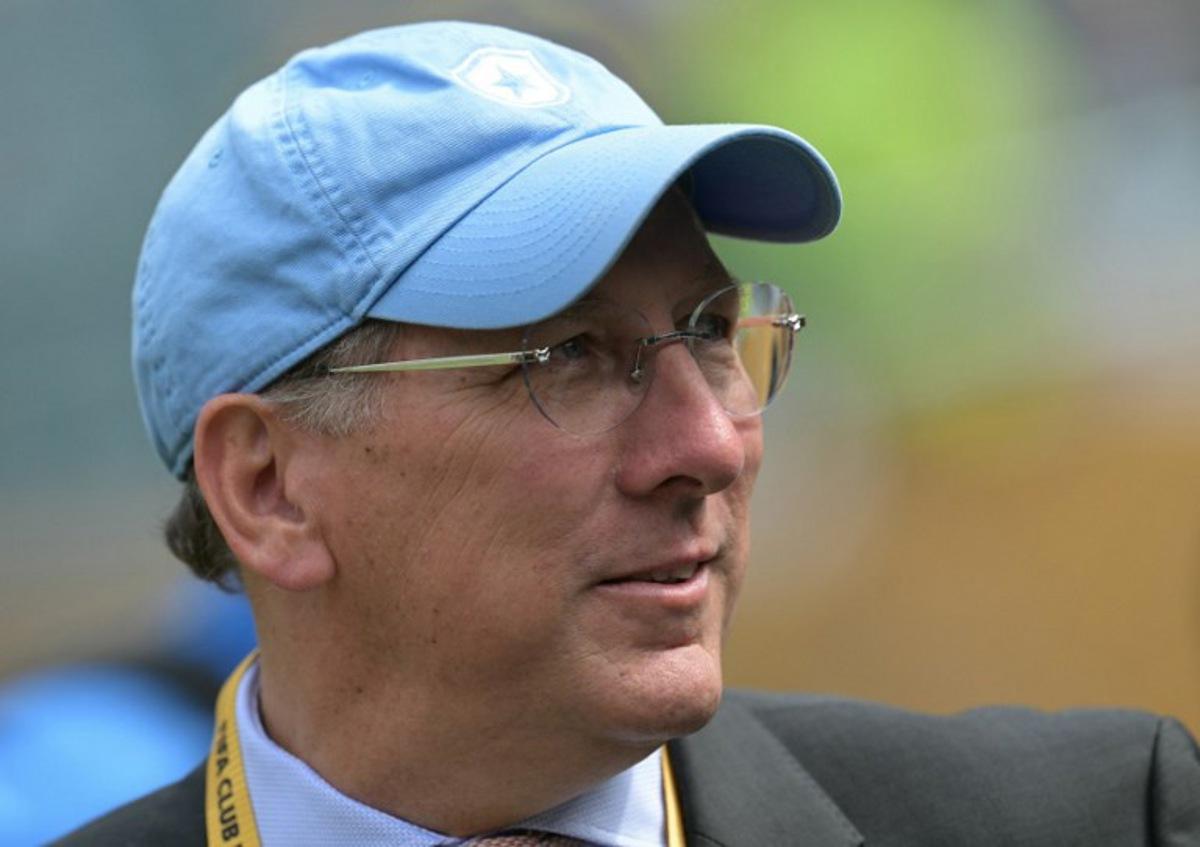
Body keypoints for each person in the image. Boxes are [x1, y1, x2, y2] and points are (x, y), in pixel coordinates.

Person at [59, 20, 1198, 847]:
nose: (710, 444)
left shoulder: (1107, 817)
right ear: (269, 488)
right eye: (567, 356)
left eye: (710, 332)